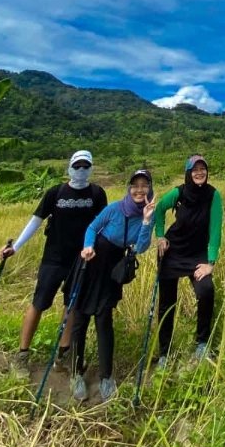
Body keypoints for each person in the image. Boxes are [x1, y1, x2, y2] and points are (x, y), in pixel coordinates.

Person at [0, 150, 107, 378]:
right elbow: (35, 222)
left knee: (72, 306)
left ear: (91, 168)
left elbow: (102, 226)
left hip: (80, 260)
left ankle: (63, 354)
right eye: (77, 166)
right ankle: (22, 355)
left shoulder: (97, 194)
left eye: (85, 166)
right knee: (39, 303)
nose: (81, 171)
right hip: (53, 259)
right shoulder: (55, 193)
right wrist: (15, 247)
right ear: (69, 167)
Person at [70, 169, 156, 401]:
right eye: (135, 185)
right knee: (80, 319)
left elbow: (141, 247)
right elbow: (91, 228)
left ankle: (106, 376)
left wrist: (147, 221)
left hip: (112, 269)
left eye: (144, 185)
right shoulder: (114, 209)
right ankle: (76, 373)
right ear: (129, 188)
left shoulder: (149, 214)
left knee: (104, 319)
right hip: (91, 262)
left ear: (150, 189)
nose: (139, 190)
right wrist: (88, 246)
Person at [153, 155, 223, 365]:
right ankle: (164, 353)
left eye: (203, 169)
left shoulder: (213, 195)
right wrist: (159, 236)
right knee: (167, 303)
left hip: (198, 254)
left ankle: (201, 343)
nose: (200, 172)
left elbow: (215, 230)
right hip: (172, 252)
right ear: (188, 173)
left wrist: (210, 263)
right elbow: (158, 209)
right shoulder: (179, 193)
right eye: (195, 169)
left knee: (206, 291)